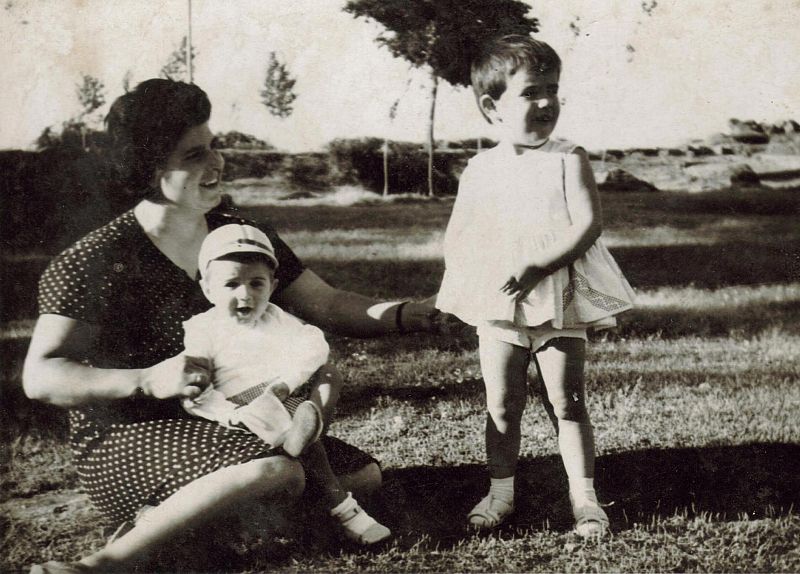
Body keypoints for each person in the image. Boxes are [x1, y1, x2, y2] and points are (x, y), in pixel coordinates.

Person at [24, 78, 438, 574]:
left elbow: (325, 303)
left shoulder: (235, 231)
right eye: (194, 155)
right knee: (279, 470)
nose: (216, 162)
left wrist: (410, 313)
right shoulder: (95, 258)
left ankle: (178, 520)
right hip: (126, 435)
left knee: (363, 475)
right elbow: (42, 374)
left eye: (213, 146)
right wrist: (144, 379)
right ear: (148, 170)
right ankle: (106, 563)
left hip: (232, 417)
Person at [435, 35, 635, 537]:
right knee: (502, 404)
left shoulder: (569, 157)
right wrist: (471, 286)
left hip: (559, 299)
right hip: (500, 305)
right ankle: (501, 491)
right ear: (491, 106)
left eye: (553, 89)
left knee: (567, 401)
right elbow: (461, 237)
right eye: (530, 92)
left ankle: (584, 498)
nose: (546, 102)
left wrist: (538, 267)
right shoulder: (480, 169)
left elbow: (587, 226)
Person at [181, 222, 390, 544]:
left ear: (273, 285)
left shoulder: (276, 318)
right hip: (243, 412)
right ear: (207, 288)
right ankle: (345, 509)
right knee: (309, 447)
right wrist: (229, 414)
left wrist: (286, 384)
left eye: (256, 284)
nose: (245, 295)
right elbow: (196, 389)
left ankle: (307, 427)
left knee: (329, 372)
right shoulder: (202, 329)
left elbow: (314, 345)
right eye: (231, 284)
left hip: (285, 396)